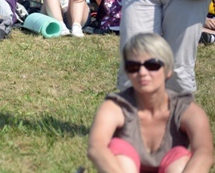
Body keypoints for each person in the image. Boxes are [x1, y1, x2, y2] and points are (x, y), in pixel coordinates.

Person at [88, 33, 213, 173]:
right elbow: (96, 148)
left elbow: (204, 152)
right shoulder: (116, 106)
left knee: (181, 161)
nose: (142, 72)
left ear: (168, 70)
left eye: (152, 65)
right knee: (118, 151)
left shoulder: (186, 109)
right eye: (133, 66)